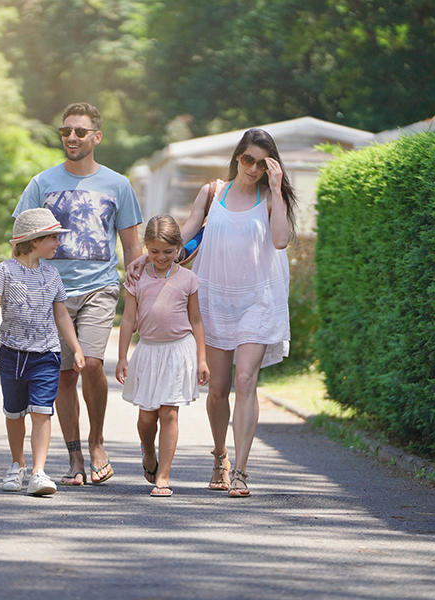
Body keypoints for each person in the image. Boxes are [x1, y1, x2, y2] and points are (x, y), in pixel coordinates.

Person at [127, 128, 296, 497]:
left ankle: (241, 470)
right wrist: (146, 257)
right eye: (247, 159)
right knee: (217, 390)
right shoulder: (212, 192)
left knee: (245, 380)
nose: (252, 168)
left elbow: (281, 240)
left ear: (270, 167)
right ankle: (220, 455)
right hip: (215, 298)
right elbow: (183, 237)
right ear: (238, 157)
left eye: (261, 163)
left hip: (258, 299)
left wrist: (279, 188)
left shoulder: (270, 198)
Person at [13, 102, 143, 485]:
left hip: (100, 287)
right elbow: (22, 241)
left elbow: (132, 247)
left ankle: (98, 441)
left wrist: (138, 293)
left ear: (96, 137)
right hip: (53, 292)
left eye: (80, 132)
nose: (71, 137)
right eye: (66, 131)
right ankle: (75, 456)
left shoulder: (117, 185)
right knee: (64, 375)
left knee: (92, 364)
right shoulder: (42, 183)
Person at [0, 208, 85, 496]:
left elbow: (62, 315)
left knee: (42, 411)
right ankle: (18, 464)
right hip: (12, 353)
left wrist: (75, 348)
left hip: (46, 355)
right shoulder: (3, 271)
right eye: (53, 238)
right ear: (34, 240)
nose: (58, 243)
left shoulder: (52, 275)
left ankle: (39, 472)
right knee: (14, 413)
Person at [116, 215, 210, 496]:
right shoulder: (137, 278)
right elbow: (127, 319)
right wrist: (122, 357)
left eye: (168, 252)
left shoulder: (188, 280)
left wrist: (202, 359)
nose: (161, 257)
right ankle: (148, 453)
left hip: (178, 351)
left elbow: (196, 321)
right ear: (146, 247)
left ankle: (164, 476)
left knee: (169, 413)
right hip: (148, 351)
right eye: (154, 251)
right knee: (147, 418)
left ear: (179, 247)